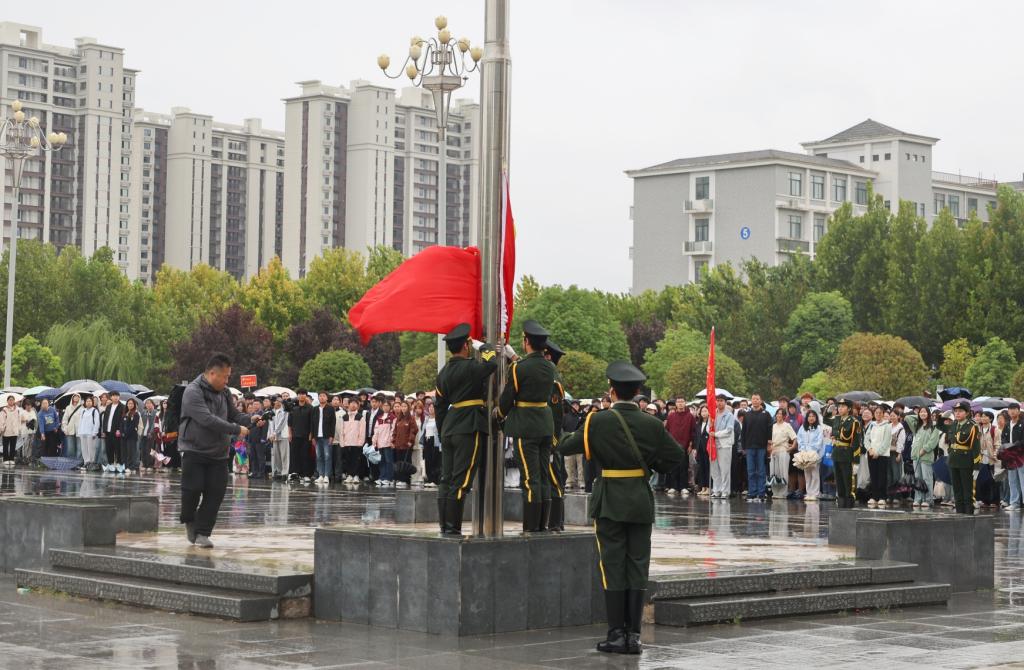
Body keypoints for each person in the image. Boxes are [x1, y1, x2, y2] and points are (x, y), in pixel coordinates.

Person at [555, 361, 684, 655]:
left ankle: (616, 634)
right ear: (637, 392)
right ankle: (633, 637)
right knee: (637, 565)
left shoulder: (597, 421)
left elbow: (565, 447)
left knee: (612, 565)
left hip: (610, 500)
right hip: (639, 499)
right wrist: (651, 465)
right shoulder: (652, 424)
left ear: (612, 392)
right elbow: (675, 456)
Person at [178, 352, 252, 548]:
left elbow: (234, 414)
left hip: (219, 452)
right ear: (212, 374)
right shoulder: (193, 391)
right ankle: (189, 519)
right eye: (225, 376)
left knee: (215, 494)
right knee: (192, 490)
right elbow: (207, 419)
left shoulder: (225, 392)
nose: (227, 381)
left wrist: (250, 419)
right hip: (195, 449)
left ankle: (203, 532)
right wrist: (236, 429)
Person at [434, 323, 500, 535]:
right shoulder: (470, 367)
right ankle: (453, 528)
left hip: (449, 427)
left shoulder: (443, 374)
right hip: (469, 425)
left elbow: (439, 407)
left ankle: (444, 526)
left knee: (446, 479)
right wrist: (485, 346)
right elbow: (491, 364)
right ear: (465, 346)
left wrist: (443, 430)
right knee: (461, 480)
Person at [497, 320, 555, 532]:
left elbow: (508, 397)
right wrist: (513, 357)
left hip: (526, 425)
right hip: (545, 425)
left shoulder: (518, 368)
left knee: (530, 478)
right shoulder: (549, 367)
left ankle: (531, 527)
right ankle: (541, 525)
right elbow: (531, 369)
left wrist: (499, 414)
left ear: (527, 341)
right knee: (543, 476)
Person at [544, 340, 568, 530]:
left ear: (548, 356)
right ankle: (554, 522)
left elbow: (556, 414)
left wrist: (553, 440)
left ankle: (555, 522)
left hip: (551, 436)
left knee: (554, 479)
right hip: (548, 434)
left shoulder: (551, 378)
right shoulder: (548, 375)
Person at [945, 399, 981, 515]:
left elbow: (976, 447)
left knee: (967, 490)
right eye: (956, 411)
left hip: (966, 461)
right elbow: (944, 432)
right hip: (953, 460)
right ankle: (959, 513)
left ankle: (968, 514)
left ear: (967, 413)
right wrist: (942, 417)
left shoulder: (972, 426)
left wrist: (976, 466)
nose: (957, 413)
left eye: (960, 411)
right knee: (957, 490)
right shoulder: (954, 424)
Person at [827, 398, 863, 508]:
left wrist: (856, 461)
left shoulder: (854, 422)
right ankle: (841, 502)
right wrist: (828, 410)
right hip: (837, 452)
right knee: (839, 480)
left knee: (848, 481)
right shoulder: (836, 419)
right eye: (839, 406)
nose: (840, 408)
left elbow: (856, 442)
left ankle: (849, 503)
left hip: (847, 454)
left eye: (843, 406)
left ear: (849, 409)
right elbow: (825, 419)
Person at [742, 394, 773, 502]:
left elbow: (770, 430)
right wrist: (744, 446)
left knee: (761, 471)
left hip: (761, 447)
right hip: (749, 446)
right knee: (750, 471)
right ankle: (752, 493)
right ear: (751, 401)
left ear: (761, 401)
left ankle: (761, 493)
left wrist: (769, 443)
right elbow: (743, 431)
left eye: (757, 399)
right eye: (753, 399)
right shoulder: (747, 414)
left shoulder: (766, 414)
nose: (755, 401)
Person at [910, 406, 940, 508]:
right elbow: (907, 418)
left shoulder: (934, 426)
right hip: (916, 455)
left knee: (927, 478)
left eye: (925, 412)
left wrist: (925, 449)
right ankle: (918, 498)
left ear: (929, 414)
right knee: (918, 478)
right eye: (921, 412)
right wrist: (918, 416)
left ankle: (928, 499)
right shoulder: (917, 425)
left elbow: (933, 441)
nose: (923, 413)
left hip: (926, 455)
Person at [665, 396, 695, 495]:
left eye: (682, 401)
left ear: (685, 403)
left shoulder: (690, 416)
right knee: (674, 466)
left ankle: (683, 486)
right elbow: (667, 431)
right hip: (673, 445)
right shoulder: (671, 416)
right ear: (676, 404)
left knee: (684, 466)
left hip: (685, 445)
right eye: (678, 402)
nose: (680, 403)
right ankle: (673, 486)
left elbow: (693, 431)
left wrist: (691, 444)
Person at [864, 406, 892, 507]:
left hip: (882, 455)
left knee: (882, 476)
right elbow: (866, 439)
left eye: (880, 413)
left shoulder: (887, 426)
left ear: (883, 414)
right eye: (876, 412)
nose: (878, 414)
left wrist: (878, 452)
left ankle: (882, 497)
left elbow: (886, 441)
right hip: (871, 453)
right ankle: (874, 496)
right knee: (873, 475)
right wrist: (870, 449)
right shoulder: (872, 425)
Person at [709, 393, 736, 499]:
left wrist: (716, 434)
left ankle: (725, 491)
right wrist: (710, 428)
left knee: (724, 469)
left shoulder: (729, 415)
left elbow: (729, 430)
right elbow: (708, 429)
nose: (719, 403)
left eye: (721, 401)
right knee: (714, 469)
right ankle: (717, 489)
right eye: (718, 400)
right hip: (713, 444)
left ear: (725, 402)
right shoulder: (713, 414)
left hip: (724, 445)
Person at [287, 389, 315, 483]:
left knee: (305, 455)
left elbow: (312, 423)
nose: (301, 396)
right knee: (295, 455)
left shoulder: (310, 408)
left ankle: (306, 475)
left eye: (303, 394)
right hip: (295, 435)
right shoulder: (293, 408)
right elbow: (289, 422)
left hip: (306, 436)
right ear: (297, 396)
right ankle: (295, 473)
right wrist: (290, 433)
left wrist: (311, 434)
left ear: (306, 396)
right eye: (299, 394)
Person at [796, 409, 825, 500]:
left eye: (813, 416)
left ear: (816, 418)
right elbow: (799, 439)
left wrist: (812, 450)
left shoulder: (819, 428)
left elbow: (819, 441)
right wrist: (803, 450)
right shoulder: (803, 427)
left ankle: (815, 493)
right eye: (809, 416)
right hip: (804, 454)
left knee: (814, 474)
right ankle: (809, 493)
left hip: (814, 454)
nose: (811, 418)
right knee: (807, 474)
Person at [338, 398, 367, 485]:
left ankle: (356, 475)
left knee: (356, 460)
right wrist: (342, 443)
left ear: (358, 405)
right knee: (347, 460)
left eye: (355, 403)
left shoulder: (360, 417)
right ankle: (349, 475)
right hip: (346, 443)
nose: (353, 405)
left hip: (356, 443)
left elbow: (362, 431)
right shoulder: (344, 417)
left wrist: (360, 442)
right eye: (351, 403)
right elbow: (341, 431)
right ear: (348, 405)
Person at [770, 408, 796, 500]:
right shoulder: (773, 426)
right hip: (774, 450)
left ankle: (783, 493)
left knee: (783, 472)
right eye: (777, 413)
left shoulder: (787, 425)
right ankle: (775, 492)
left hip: (783, 450)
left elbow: (794, 438)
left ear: (784, 416)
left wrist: (792, 447)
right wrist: (770, 448)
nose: (779, 415)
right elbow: (770, 439)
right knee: (774, 472)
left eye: (781, 414)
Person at [1002, 402, 1024, 511]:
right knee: (1012, 480)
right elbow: (1003, 438)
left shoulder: (1022, 424)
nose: (1012, 411)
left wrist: (1014, 446)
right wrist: (1006, 447)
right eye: (1010, 409)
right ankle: (1014, 503)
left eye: (1015, 409)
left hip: (1021, 455)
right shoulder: (1007, 425)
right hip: (1010, 456)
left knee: (1022, 480)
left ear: (1019, 411)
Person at [392, 400, 418, 488]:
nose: (403, 408)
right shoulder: (398, 419)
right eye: (402, 406)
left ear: (408, 407)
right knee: (399, 463)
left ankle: (406, 479)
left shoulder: (411, 418)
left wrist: (411, 440)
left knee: (406, 462)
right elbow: (395, 431)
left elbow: (414, 430)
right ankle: (400, 479)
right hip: (398, 445)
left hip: (407, 445)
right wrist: (393, 441)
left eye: (405, 406)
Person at [313, 391, 336, 485]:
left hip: (327, 436)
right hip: (317, 436)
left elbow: (333, 423)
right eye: (320, 396)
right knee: (319, 456)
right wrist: (313, 436)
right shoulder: (315, 409)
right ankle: (321, 475)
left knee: (327, 456)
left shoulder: (330, 409)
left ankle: (327, 475)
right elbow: (312, 423)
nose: (321, 397)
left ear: (327, 398)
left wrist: (331, 436)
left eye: (323, 396)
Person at [373, 400, 396, 487]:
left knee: (389, 461)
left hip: (388, 443)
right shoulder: (379, 417)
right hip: (380, 443)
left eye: (387, 405)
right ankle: (382, 477)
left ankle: (389, 478)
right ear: (382, 407)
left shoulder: (393, 417)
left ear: (390, 407)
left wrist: (391, 440)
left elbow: (393, 430)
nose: (386, 407)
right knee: (381, 461)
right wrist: (374, 440)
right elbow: (376, 430)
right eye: (384, 406)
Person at [100, 391, 125, 473]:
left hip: (117, 432)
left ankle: (120, 464)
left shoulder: (122, 407)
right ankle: (110, 464)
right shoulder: (109, 406)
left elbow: (122, 420)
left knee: (118, 449)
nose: (115, 397)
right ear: (111, 397)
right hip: (108, 431)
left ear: (119, 397)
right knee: (109, 448)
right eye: (114, 396)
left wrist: (119, 429)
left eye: (117, 396)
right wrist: (104, 430)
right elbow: (105, 419)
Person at [78, 396, 101, 472]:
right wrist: (79, 432)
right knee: (84, 448)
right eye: (87, 401)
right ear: (85, 402)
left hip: (90, 433)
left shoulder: (95, 411)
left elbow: (97, 422)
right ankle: (86, 462)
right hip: (83, 432)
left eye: (90, 401)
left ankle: (91, 462)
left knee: (91, 449)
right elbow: (80, 422)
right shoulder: (83, 411)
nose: (88, 403)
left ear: (92, 402)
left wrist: (95, 432)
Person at [269, 397, 290, 480]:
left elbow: (282, 423)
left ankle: (285, 473)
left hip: (283, 435)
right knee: (276, 455)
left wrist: (274, 433)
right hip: (274, 437)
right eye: (276, 401)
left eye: (279, 401)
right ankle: (279, 472)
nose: (277, 402)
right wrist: (270, 434)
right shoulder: (271, 412)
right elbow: (270, 425)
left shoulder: (284, 411)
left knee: (284, 455)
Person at [0, 393, 24, 466]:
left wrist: (19, 429)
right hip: (6, 431)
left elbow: (19, 420)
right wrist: (2, 428)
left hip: (14, 430)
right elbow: (1, 420)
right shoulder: (4, 410)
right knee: (5, 446)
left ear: (14, 401)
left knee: (13, 446)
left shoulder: (18, 410)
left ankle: (11, 458)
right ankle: (5, 459)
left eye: (12, 400)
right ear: (7, 401)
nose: (11, 401)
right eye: (10, 400)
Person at [693, 405, 711, 496]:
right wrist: (695, 448)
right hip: (699, 448)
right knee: (701, 468)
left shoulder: (710, 423)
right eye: (702, 411)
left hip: (707, 448)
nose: (704, 413)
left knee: (708, 467)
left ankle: (708, 487)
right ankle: (703, 486)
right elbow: (696, 437)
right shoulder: (698, 424)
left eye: (705, 411)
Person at [121, 398, 142, 476]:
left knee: (131, 452)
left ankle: (131, 467)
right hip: (124, 436)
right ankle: (126, 466)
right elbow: (121, 424)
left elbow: (133, 426)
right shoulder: (125, 413)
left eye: (132, 404)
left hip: (132, 436)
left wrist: (126, 433)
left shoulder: (136, 414)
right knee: (125, 452)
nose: (130, 405)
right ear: (127, 404)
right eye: (129, 403)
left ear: (134, 405)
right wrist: (122, 432)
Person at [60, 393, 83, 462]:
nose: (76, 398)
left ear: (79, 398)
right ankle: (71, 462)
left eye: (77, 397)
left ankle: (78, 463)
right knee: (70, 448)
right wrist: (65, 429)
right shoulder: (68, 408)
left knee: (79, 448)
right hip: (69, 430)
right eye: (74, 397)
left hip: (80, 431)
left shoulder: (82, 408)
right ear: (72, 398)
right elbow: (64, 419)